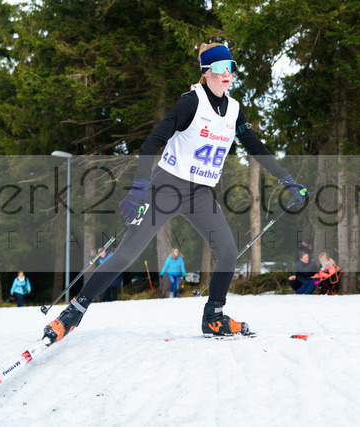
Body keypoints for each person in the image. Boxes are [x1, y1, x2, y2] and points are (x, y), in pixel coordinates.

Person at [43, 42, 307, 343]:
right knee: (126, 254)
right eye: (221, 68)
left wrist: (287, 180)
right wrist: (139, 188)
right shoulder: (191, 103)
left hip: (201, 194)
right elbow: (151, 143)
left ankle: (214, 318)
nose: (228, 73)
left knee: (228, 253)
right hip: (166, 187)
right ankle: (73, 312)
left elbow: (255, 147)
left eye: (231, 67)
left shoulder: (234, 109)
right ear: (206, 72)